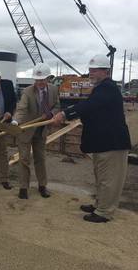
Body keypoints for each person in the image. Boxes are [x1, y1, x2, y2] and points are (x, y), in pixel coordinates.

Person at [53, 54, 131, 223]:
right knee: (101, 177)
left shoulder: (107, 88)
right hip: (104, 143)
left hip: (112, 143)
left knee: (109, 179)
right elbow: (92, 109)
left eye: (95, 70)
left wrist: (65, 113)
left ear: (106, 71)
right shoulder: (101, 88)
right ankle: (99, 204)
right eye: (90, 70)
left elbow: (89, 106)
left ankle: (104, 212)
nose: (91, 73)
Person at [12, 63, 60, 199]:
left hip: (41, 130)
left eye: (42, 80)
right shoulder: (27, 92)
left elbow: (57, 105)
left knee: (40, 159)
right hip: (26, 130)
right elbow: (21, 108)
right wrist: (15, 121)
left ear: (48, 79)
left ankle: (42, 186)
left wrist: (51, 114)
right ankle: (23, 188)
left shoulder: (53, 90)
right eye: (37, 80)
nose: (39, 82)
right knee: (24, 160)